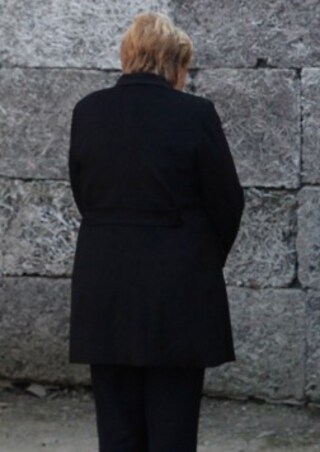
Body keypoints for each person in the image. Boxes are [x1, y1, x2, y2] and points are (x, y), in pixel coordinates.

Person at [67, 11, 244, 452]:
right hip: (176, 292)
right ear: (175, 64)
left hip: (104, 287)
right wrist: (199, 255)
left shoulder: (88, 111)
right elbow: (227, 201)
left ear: (129, 56)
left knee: (117, 427)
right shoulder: (195, 115)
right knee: (172, 427)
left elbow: (83, 191)